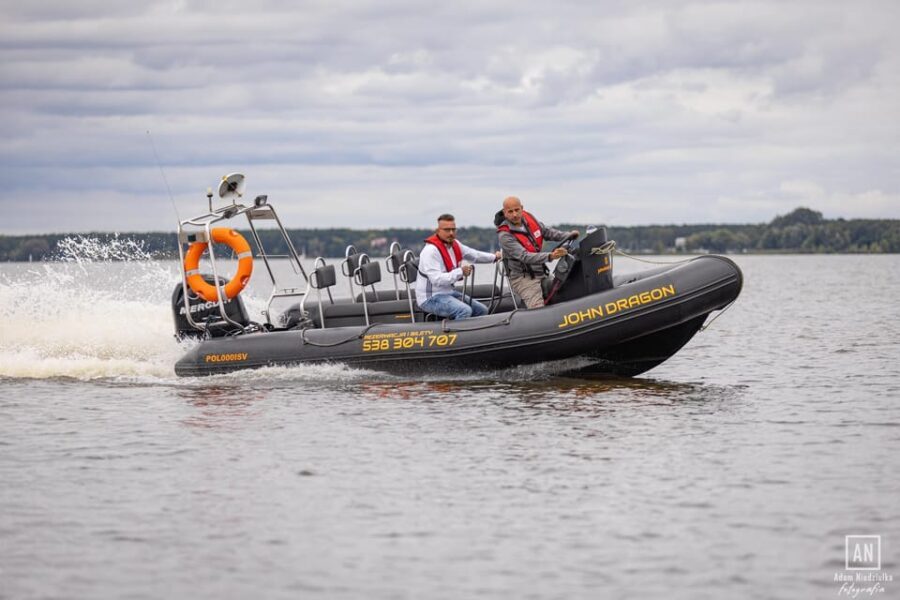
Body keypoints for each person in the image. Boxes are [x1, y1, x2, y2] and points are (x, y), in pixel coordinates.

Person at [494, 196, 579, 309]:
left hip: (540, 272)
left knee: (565, 290)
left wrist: (568, 235)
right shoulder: (504, 235)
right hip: (523, 278)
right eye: (510, 211)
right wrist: (550, 256)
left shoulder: (529, 219)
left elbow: (547, 232)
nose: (514, 214)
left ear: (522, 208)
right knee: (537, 308)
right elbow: (524, 256)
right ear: (505, 213)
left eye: (517, 210)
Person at [416, 213, 501, 320]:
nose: (451, 233)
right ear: (438, 231)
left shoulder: (455, 244)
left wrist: (494, 257)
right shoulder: (430, 251)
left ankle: (472, 330)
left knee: (482, 310)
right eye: (447, 230)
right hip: (430, 297)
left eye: (453, 229)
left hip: (447, 293)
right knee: (464, 310)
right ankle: (456, 330)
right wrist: (460, 272)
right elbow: (436, 280)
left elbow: (474, 255)